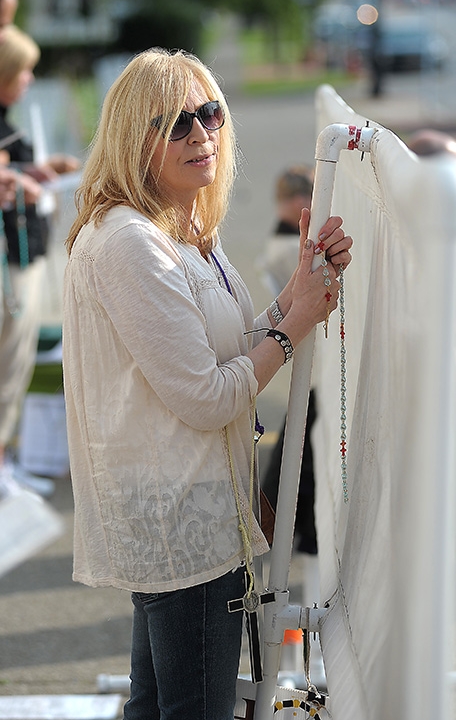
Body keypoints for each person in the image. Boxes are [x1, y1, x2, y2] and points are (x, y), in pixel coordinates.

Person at [62, 47, 352, 720]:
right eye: (177, 123)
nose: (202, 134)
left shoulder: (185, 225)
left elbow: (222, 349)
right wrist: (295, 328)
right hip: (183, 525)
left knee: (160, 704)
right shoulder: (130, 240)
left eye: (210, 113)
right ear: (136, 140)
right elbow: (207, 396)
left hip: (191, 512)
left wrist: (296, 296)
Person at [0, 24, 79, 498]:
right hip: (11, 256)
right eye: (24, 69)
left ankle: (7, 463)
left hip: (19, 252)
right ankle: (4, 469)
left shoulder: (9, 118)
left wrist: (35, 173)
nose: (30, 78)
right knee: (11, 359)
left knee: (15, 359)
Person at [260, 164, 319, 554]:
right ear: (299, 202)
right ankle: (289, 524)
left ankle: (282, 520)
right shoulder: (290, 249)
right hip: (304, 345)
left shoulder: (275, 241)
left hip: (296, 344)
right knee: (303, 435)